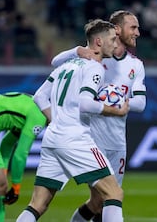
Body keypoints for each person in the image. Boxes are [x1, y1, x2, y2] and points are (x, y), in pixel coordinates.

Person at [16, 19, 129, 222]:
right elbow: (86, 104)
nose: (116, 44)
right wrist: (116, 111)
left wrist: (56, 120)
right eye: (112, 39)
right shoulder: (95, 67)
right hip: (75, 139)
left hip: (52, 140)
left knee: (37, 205)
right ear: (98, 42)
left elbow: (39, 97)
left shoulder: (65, 66)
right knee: (114, 193)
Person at [51, 10, 147, 222]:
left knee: (99, 201)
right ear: (117, 29)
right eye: (133, 27)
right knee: (110, 198)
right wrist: (76, 50)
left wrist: (116, 99)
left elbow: (141, 103)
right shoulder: (95, 54)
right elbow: (56, 62)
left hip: (117, 141)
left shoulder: (135, 65)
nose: (138, 33)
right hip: (91, 139)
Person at [0, 92, 47, 222]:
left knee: (1, 186)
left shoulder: (34, 109)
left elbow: (7, 145)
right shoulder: (39, 116)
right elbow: (20, 155)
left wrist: (3, 174)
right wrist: (16, 187)